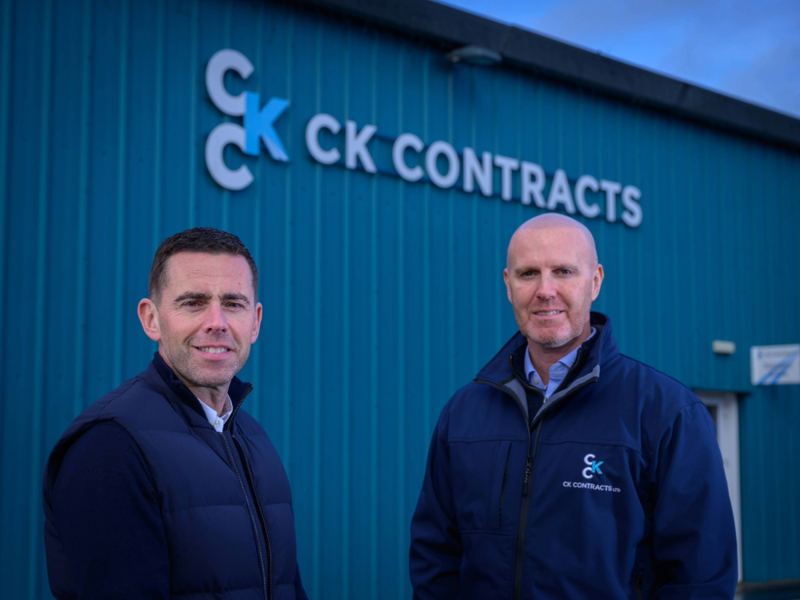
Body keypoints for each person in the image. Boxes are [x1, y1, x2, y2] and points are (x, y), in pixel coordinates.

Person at [409, 213, 737, 599]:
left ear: (595, 281)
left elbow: (700, 580)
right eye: (528, 273)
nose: (545, 290)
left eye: (563, 271)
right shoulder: (464, 413)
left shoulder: (667, 413)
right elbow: (436, 557)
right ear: (508, 285)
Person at [43, 228, 307, 600]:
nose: (217, 322)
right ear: (151, 319)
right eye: (193, 303)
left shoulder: (252, 438)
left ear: (255, 322)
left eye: (233, 303)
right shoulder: (110, 446)